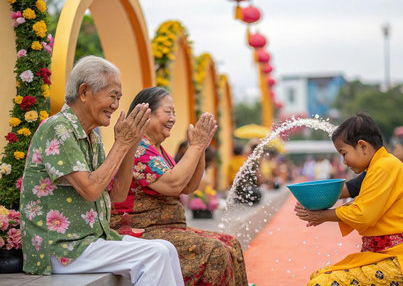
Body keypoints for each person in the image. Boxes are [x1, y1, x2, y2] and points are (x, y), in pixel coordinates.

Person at [20, 56, 184, 285]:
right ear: (85, 92)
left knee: (166, 248)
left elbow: (116, 195)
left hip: (88, 242)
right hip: (60, 249)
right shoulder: (58, 128)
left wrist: (130, 146)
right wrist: (122, 144)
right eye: (112, 96)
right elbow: (90, 190)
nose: (116, 105)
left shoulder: (92, 137)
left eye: (119, 98)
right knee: (154, 255)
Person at [110, 87, 248, 286]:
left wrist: (199, 148)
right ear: (147, 114)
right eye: (168, 112)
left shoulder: (156, 149)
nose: (173, 118)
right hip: (140, 231)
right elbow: (174, 184)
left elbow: (189, 186)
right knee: (215, 251)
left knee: (231, 243)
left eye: (174, 112)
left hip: (166, 228)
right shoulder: (138, 147)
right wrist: (196, 146)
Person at [294, 113, 403, 285]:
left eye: (344, 153)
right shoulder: (377, 167)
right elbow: (349, 189)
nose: (344, 162)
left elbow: (363, 214)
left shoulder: (384, 167)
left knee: (323, 283)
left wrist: (322, 215)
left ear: (363, 146)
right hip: (393, 256)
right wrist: (314, 201)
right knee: (319, 276)